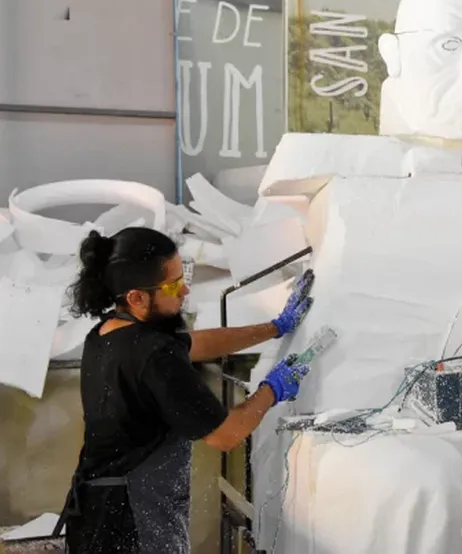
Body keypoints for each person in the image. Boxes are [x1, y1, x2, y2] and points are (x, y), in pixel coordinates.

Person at [56, 227, 314, 553]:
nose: (185, 289)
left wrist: (275, 327)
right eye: (173, 285)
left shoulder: (109, 333)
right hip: (132, 525)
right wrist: (272, 389)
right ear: (136, 297)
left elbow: (198, 343)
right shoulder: (154, 355)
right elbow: (225, 435)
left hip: (99, 513)